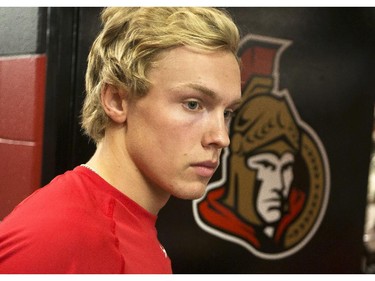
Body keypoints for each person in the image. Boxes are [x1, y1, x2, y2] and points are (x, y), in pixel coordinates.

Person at [0, 7, 242, 273]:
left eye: (227, 112)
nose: (221, 137)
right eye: (193, 104)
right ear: (117, 100)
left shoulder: (122, 224)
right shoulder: (62, 237)